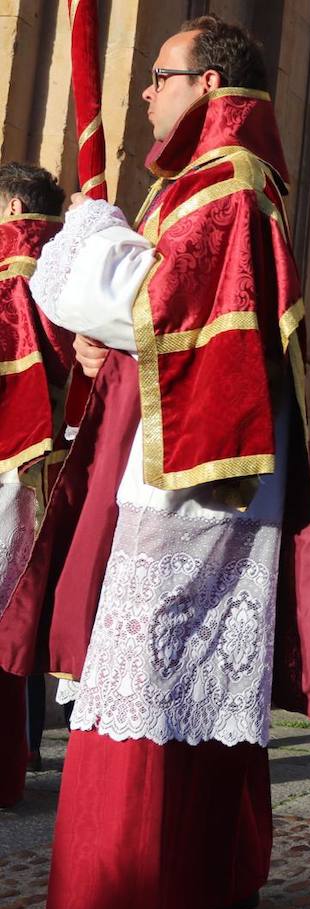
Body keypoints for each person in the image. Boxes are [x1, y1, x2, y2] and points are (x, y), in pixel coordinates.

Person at [0, 16, 310, 909]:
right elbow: (156, 332)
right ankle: (199, 874)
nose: (146, 92)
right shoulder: (206, 188)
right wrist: (107, 349)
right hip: (194, 470)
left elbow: (160, 306)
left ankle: (124, 888)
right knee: (181, 697)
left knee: (149, 694)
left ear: (209, 84)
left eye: (160, 75)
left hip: (192, 488)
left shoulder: (225, 186)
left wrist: (85, 235)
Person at [0, 162, 70, 808]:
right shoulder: (71, 259)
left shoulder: (16, 268)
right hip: (60, 468)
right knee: (28, 610)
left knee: (12, 608)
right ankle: (25, 738)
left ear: (15, 205)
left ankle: (19, 742)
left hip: (17, 464)